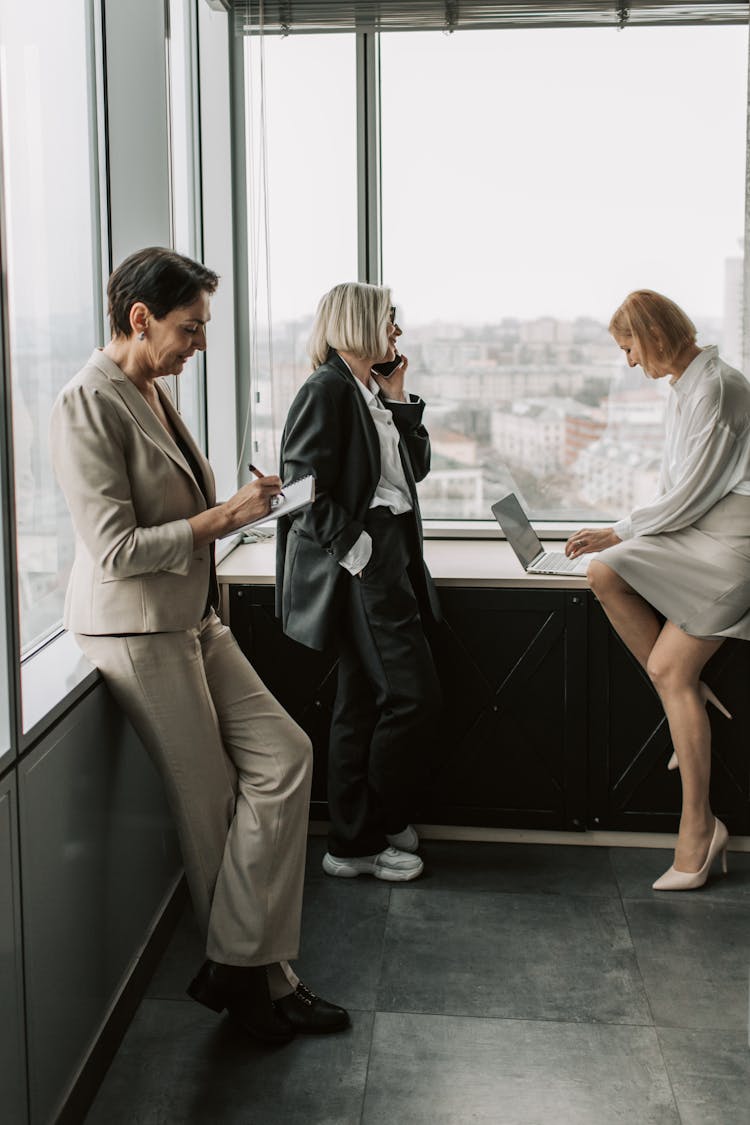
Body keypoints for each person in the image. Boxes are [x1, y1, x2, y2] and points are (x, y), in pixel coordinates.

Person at [49, 246, 348, 1044]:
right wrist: (229, 517)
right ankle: (265, 987)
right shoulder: (87, 401)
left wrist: (239, 510)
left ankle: (235, 967)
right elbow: (113, 549)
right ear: (139, 317)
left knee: (285, 756)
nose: (201, 344)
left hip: (189, 617)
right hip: (135, 628)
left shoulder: (148, 389)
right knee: (209, 808)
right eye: (190, 327)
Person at [565, 289, 750, 891]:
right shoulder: (689, 388)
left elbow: (692, 495)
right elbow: (682, 491)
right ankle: (687, 721)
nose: (629, 363)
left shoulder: (717, 390)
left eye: (629, 348)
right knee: (610, 580)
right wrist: (618, 535)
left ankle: (697, 827)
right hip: (705, 536)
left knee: (613, 578)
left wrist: (616, 529)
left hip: (729, 548)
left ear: (655, 335)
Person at [276, 282, 442, 882]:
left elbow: (414, 470)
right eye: (388, 323)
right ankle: (374, 826)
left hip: (387, 552)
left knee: (362, 702)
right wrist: (359, 550)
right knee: (410, 696)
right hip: (365, 557)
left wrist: (398, 399)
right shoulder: (326, 390)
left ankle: (353, 838)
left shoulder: (368, 391)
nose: (396, 333)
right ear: (359, 324)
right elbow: (298, 491)